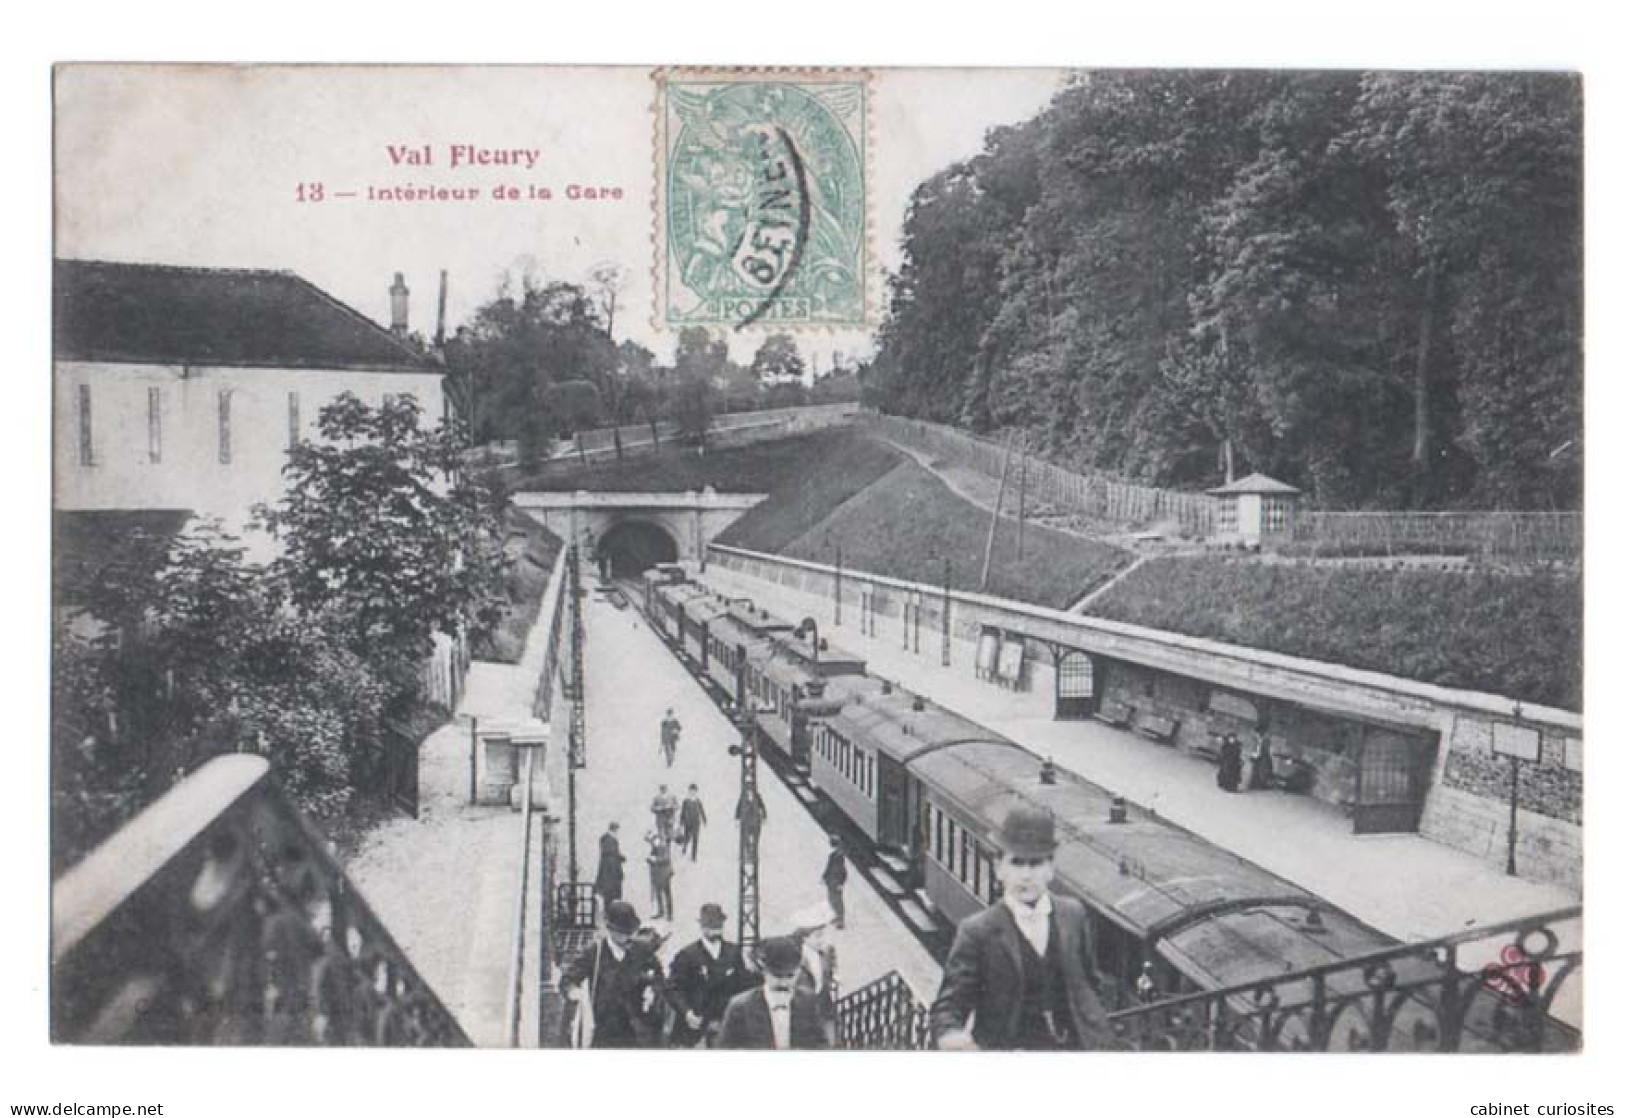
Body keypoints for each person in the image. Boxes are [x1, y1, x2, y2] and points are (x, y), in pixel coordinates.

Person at [929, 804, 1113, 1051]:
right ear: (999, 868)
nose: (1026, 875)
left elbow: (1091, 982)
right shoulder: (977, 931)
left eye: (1035, 863)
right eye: (1016, 863)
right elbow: (949, 1006)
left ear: (1050, 869)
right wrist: (950, 1034)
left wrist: (1097, 1029)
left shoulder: (1074, 914)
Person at [561, 900, 667, 1048]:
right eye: (623, 932)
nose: (628, 937)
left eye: (630, 931)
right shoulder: (595, 953)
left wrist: (654, 991)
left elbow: (659, 977)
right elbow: (567, 980)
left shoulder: (642, 950)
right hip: (605, 1031)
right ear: (611, 930)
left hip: (638, 1032)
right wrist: (574, 993)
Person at [665, 903, 757, 1048]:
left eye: (718, 924)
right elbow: (673, 988)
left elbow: (742, 985)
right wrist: (686, 1012)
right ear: (702, 926)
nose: (714, 928)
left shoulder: (733, 952)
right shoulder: (687, 955)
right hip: (695, 1025)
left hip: (724, 1022)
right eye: (710, 924)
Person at [717, 936, 831, 1050]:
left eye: (790, 976)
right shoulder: (740, 1006)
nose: (784, 983)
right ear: (763, 971)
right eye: (777, 976)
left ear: (798, 972)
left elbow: (821, 1046)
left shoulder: (808, 1002)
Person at [792, 901, 839, 1044]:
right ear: (805, 937)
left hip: (824, 1007)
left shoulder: (826, 952)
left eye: (823, 935)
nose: (822, 940)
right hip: (804, 1012)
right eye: (818, 936)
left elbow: (830, 971)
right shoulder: (796, 957)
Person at [646, 830, 675, 920]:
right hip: (658, 874)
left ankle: (669, 914)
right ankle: (661, 911)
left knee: (667, 894)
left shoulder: (663, 845)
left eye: (651, 841)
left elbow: (666, 858)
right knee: (659, 893)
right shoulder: (655, 846)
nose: (651, 843)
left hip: (665, 874)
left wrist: (655, 860)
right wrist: (650, 860)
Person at [595, 822, 627, 904]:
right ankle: (610, 910)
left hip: (610, 871)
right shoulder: (609, 839)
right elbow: (611, 854)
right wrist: (620, 858)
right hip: (611, 871)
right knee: (611, 892)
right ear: (614, 829)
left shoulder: (607, 838)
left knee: (610, 892)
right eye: (616, 830)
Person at [821, 835, 848, 929]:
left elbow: (843, 872)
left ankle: (841, 921)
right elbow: (829, 867)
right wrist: (824, 876)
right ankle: (837, 917)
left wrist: (841, 883)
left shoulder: (839, 856)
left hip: (835, 882)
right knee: (832, 900)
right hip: (831, 881)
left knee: (837, 901)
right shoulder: (834, 855)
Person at [679, 784, 708, 861]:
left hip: (696, 822)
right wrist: (681, 822)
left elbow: (702, 811)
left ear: (696, 792)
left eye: (694, 791)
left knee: (695, 838)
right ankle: (684, 847)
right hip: (687, 822)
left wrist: (704, 820)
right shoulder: (686, 801)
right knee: (687, 837)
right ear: (689, 791)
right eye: (691, 791)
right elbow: (682, 812)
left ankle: (693, 856)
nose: (692, 792)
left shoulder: (698, 801)